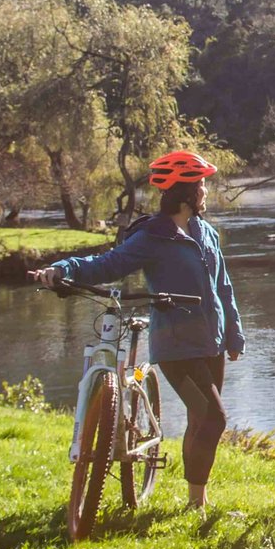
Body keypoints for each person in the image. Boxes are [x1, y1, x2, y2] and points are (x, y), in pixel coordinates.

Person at [29, 150, 244, 513]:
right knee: (213, 417)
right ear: (185, 192)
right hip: (177, 345)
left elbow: (224, 286)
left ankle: (197, 500)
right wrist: (63, 267)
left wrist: (235, 333)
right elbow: (106, 264)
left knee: (200, 419)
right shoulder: (152, 236)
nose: (206, 191)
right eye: (201, 185)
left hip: (213, 341)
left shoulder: (205, 231)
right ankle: (195, 505)